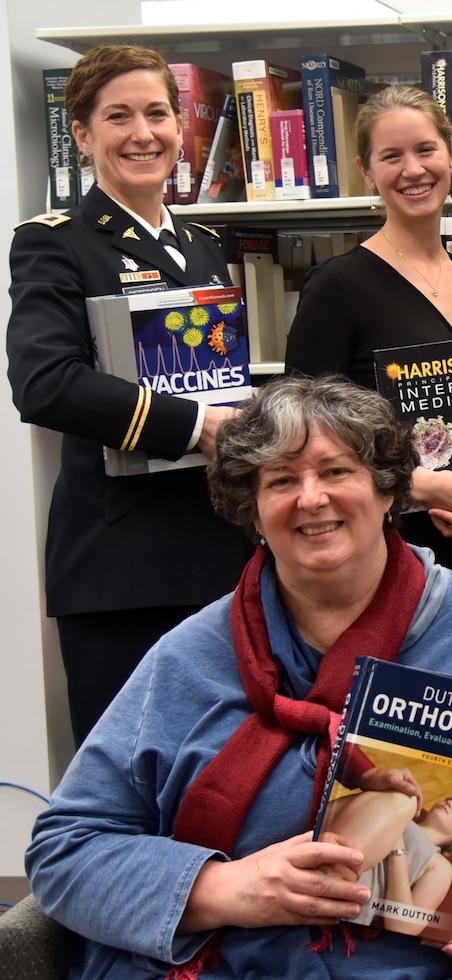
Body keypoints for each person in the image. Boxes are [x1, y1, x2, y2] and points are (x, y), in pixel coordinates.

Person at [21, 376, 452, 980]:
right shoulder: (189, 658)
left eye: (337, 471)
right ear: (251, 509)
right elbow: (67, 848)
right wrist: (227, 890)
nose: (311, 498)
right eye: (280, 480)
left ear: (388, 492)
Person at [7, 44, 253, 743]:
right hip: (124, 566)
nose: (142, 133)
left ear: (181, 128)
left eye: (157, 113)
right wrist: (196, 427)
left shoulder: (204, 243)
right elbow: (44, 384)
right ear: (82, 136)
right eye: (118, 117)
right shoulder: (56, 244)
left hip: (216, 551)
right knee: (134, 779)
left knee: (223, 773)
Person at [285, 85, 452, 596]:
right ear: (368, 172)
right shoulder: (337, 287)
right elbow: (301, 433)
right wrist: (412, 485)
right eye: (391, 157)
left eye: (425, 150)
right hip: (389, 553)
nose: (413, 170)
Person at [318, 787, 452, 934]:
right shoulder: (401, 808)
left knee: (402, 800)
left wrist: (398, 851)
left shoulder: (440, 865)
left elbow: (405, 927)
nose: (450, 802)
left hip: (344, 899)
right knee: (400, 798)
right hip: (321, 856)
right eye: (451, 799)